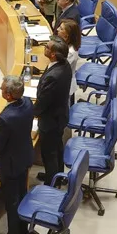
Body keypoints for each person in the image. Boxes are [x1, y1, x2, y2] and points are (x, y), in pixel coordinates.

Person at [0, 75, 34, 234]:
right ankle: (24, 232)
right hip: (24, 158)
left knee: (12, 202)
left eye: (2, 89)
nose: (0, 90)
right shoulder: (29, 103)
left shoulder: (6, 118)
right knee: (22, 195)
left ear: (9, 95)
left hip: (10, 165)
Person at [35, 38, 73, 184]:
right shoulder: (65, 65)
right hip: (60, 115)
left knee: (49, 153)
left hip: (50, 121)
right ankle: (58, 176)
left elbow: (43, 102)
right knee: (57, 148)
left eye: (47, 47)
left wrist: (30, 113)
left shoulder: (53, 76)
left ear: (53, 55)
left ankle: (51, 184)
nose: (45, 47)